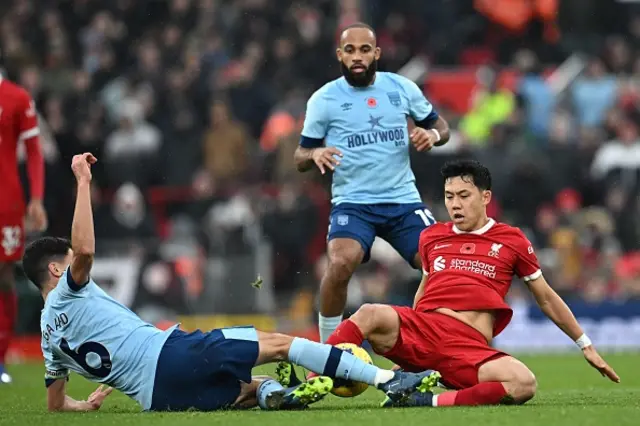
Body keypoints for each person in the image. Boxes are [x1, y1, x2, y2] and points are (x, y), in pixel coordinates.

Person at [24, 153, 439, 413]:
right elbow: (86, 252)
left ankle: (275, 394)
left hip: (159, 398)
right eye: (68, 263)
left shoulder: (47, 337)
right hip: (170, 354)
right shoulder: (68, 291)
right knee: (279, 343)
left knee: (245, 388)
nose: (76, 267)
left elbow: (57, 405)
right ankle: (390, 380)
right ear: (57, 272)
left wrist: (87, 402)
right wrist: (82, 182)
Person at [306, 159, 620, 407]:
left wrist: (585, 345)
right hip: (425, 330)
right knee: (369, 313)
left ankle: (426, 400)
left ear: (485, 197)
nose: (455, 204)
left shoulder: (512, 240)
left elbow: (546, 298)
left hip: (468, 348)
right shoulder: (431, 236)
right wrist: (413, 342)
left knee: (524, 384)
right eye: (449, 196)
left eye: (463, 196)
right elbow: (425, 288)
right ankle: (311, 380)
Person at [294, 22, 451, 342]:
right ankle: (327, 347)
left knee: (440, 266)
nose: (357, 56)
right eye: (350, 50)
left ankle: (434, 343)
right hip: (354, 203)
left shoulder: (401, 88)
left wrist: (431, 135)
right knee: (340, 262)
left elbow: (442, 128)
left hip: (403, 201)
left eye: (365, 49)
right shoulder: (324, 99)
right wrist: (315, 155)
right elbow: (299, 155)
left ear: (376, 52)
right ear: (340, 54)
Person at [0, 71, 47, 384]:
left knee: (3, 276)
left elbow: (33, 152)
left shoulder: (17, 97)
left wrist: (37, 198)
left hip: (6, 201)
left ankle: (1, 356)